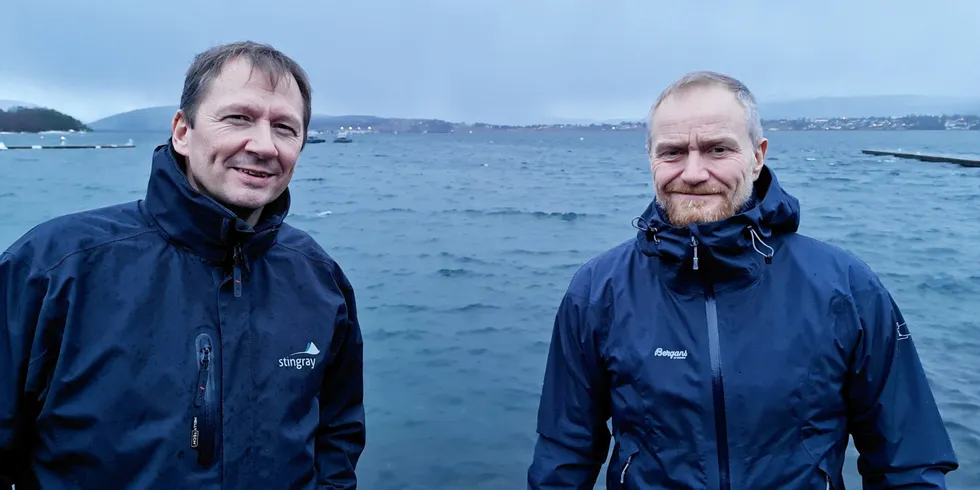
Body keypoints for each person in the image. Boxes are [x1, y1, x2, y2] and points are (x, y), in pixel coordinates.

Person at [526, 71, 958, 489]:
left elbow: (907, 463)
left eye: (718, 149)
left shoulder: (845, 288)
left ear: (757, 156)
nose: (693, 172)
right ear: (651, 159)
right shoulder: (598, 292)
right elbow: (564, 455)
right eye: (672, 152)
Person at [0, 41, 365, 489]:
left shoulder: (318, 279)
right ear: (182, 131)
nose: (264, 145)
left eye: (285, 128)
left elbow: (337, 436)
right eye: (239, 118)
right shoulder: (55, 268)